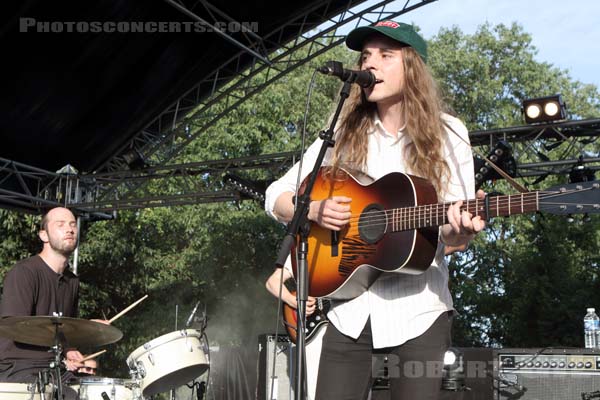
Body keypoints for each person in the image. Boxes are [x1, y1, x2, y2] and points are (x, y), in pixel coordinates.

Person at [264, 20, 486, 400]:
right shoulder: (344, 132)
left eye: (386, 55)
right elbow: (276, 194)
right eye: (367, 56)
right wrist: (314, 210)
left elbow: (452, 235)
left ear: (412, 67)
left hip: (418, 309)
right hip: (348, 309)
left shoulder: (449, 133)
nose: (371, 65)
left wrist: (460, 229)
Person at [0, 207, 103, 398]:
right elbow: (17, 328)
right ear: (43, 235)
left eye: (73, 224)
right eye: (60, 224)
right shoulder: (24, 273)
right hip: (18, 367)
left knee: (96, 390)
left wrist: (70, 348)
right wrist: (82, 328)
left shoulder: (72, 281)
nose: (70, 229)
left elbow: (62, 331)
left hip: (54, 369)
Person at [265, 256, 326, 400]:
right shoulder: (302, 251)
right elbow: (272, 282)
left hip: (348, 328)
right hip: (316, 332)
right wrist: (293, 301)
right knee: (315, 390)